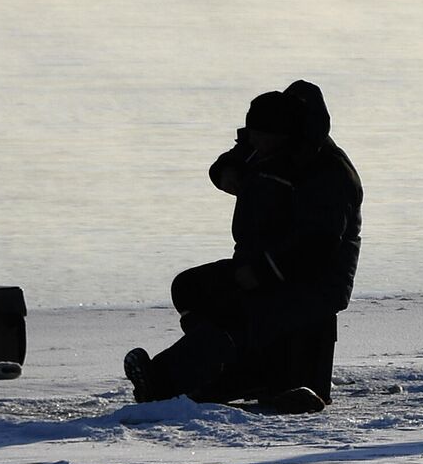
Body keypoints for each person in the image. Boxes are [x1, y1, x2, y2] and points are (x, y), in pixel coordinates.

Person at [124, 79, 363, 405]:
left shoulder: (328, 172)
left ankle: (164, 380)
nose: (253, 142)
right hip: (261, 264)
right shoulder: (266, 149)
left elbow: (318, 245)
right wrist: (226, 172)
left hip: (312, 280)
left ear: (286, 132)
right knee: (191, 288)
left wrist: (262, 272)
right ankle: (231, 370)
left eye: (261, 135)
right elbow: (229, 160)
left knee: (237, 313)